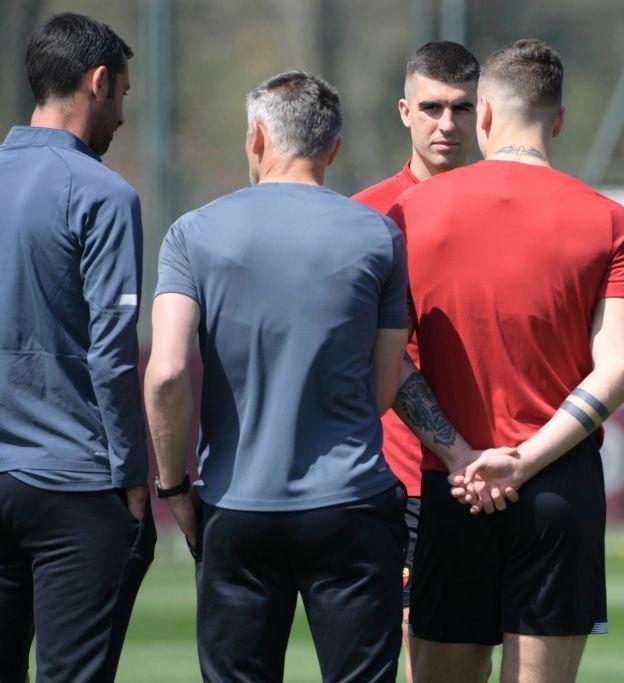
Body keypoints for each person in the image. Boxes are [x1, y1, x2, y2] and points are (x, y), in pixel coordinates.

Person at [387, 39, 624, 683]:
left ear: (485, 115)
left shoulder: (409, 212)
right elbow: (619, 369)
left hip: (454, 490)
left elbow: (387, 363)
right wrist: (523, 462)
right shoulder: (609, 220)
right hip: (560, 489)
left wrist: (461, 459)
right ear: (558, 120)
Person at [144, 71, 410, 682]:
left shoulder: (192, 233)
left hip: (237, 507)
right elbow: (385, 388)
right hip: (350, 504)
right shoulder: (379, 235)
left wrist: (174, 488)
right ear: (333, 149)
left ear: (257, 137)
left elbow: (164, 375)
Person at [0, 13, 155, 682]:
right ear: (98, 82)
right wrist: (132, 475)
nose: (121, 114)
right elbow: (114, 350)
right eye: (120, 94)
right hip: (76, 482)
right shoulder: (104, 193)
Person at [352, 40, 479, 682]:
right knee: (419, 655)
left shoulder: (508, 204)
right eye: (431, 107)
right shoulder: (369, 216)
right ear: (404, 111)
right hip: (406, 478)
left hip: (508, 465)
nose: (446, 124)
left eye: (461, 108)